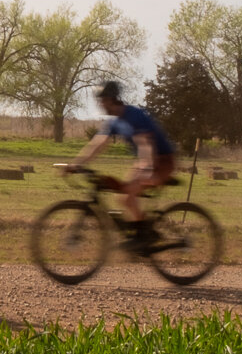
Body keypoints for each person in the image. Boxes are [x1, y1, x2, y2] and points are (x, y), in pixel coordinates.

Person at [63, 79, 177, 251]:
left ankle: (144, 236)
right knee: (123, 196)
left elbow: (145, 144)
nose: (100, 104)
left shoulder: (134, 115)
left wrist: (146, 169)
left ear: (111, 99)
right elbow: (97, 144)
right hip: (145, 161)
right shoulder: (114, 122)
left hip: (163, 161)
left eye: (102, 100)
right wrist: (75, 164)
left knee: (127, 196)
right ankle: (142, 233)